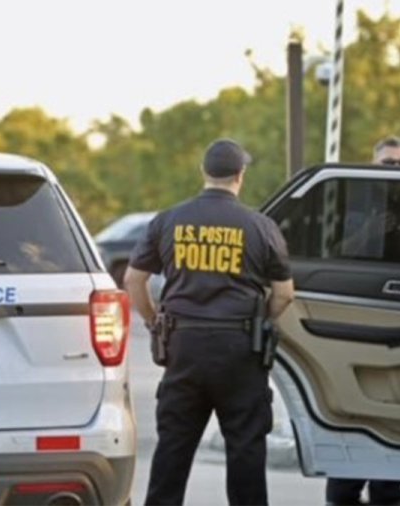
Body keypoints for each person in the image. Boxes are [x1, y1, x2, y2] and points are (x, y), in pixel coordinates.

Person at [125, 139, 296, 506]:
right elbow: (285, 294)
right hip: (240, 351)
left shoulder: (167, 221)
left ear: (203, 173)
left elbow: (132, 280)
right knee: (246, 451)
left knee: (173, 448)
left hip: (183, 347)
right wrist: (258, 322)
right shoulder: (261, 226)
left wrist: (156, 323)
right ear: (240, 176)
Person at [325, 136, 400, 506]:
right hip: (359, 318)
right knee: (354, 411)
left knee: (395, 410)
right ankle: (343, 495)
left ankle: (388, 490)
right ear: (373, 163)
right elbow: (334, 254)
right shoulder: (353, 200)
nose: (396, 170)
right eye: (389, 163)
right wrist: (371, 230)